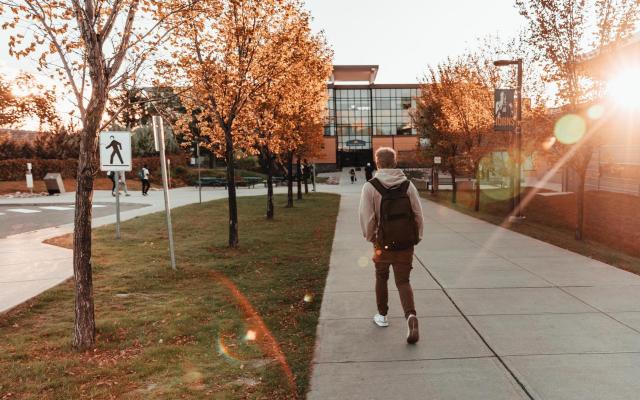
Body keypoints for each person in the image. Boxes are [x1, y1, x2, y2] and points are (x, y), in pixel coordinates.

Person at [359, 147, 424, 344]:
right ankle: (410, 316)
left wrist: (371, 238)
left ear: (378, 163)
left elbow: (367, 218)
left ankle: (382, 315)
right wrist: (417, 236)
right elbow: (418, 214)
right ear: (395, 163)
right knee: (403, 282)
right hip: (405, 243)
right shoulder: (408, 186)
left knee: (381, 277)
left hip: (382, 243)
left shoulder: (370, 187)